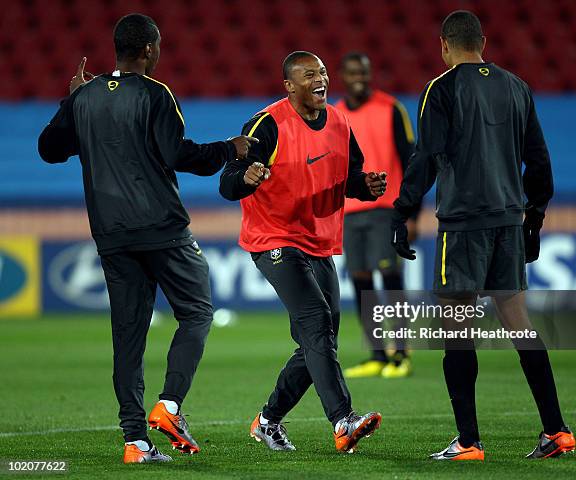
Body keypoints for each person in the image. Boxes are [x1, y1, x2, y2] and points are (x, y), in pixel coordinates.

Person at [38, 13, 257, 464]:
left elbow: (48, 149)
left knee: (128, 337)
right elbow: (180, 155)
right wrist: (228, 149)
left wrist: (71, 100)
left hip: (111, 235)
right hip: (162, 229)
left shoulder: (85, 99)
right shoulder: (157, 95)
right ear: (150, 50)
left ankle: (135, 441)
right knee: (197, 312)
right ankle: (169, 405)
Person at [391, 10, 575, 461]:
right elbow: (539, 160)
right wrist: (534, 218)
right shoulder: (517, 86)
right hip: (510, 222)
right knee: (520, 325)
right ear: (483, 42)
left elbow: (427, 156)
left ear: (444, 45)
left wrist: (402, 212)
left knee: (457, 330)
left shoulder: (443, 87)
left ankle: (469, 442)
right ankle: (557, 431)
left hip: (464, 224)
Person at [219, 51, 384, 453]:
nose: (320, 79)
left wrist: (368, 186)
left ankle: (268, 420)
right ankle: (343, 420)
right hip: (273, 238)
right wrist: (247, 176)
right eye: (309, 74)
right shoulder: (267, 125)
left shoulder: (341, 123)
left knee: (319, 338)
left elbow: (351, 178)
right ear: (290, 86)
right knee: (315, 322)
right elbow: (228, 183)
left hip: (318, 241)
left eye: (323, 72)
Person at [336, 52, 417, 379]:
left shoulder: (392, 108)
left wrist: (412, 212)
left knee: (391, 278)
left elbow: (411, 161)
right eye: (354, 72)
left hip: (387, 209)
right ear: (342, 75)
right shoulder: (335, 114)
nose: (360, 78)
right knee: (360, 280)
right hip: (350, 211)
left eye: (365, 72)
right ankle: (376, 353)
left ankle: (400, 353)